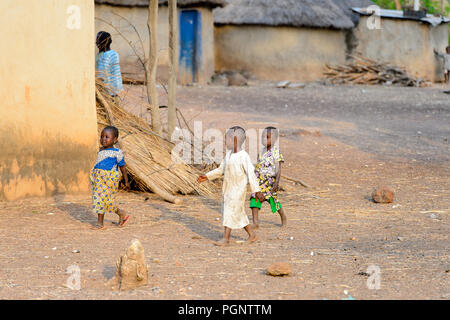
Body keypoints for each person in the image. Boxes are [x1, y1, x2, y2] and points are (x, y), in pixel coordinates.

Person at [197, 126, 265, 246]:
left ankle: (226, 238)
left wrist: (257, 191)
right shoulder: (228, 154)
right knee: (238, 214)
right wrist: (207, 176)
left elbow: (251, 174)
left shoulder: (244, 156)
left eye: (226, 139)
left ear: (234, 140)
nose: (224, 142)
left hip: (238, 190)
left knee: (229, 211)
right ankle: (252, 235)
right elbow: (220, 170)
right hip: (228, 189)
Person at [91, 126, 130, 230]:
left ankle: (116, 215)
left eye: (107, 137)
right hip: (99, 180)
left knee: (106, 200)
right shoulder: (100, 151)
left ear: (115, 139)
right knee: (100, 199)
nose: (103, 139)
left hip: (109, 181)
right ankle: (105, 220)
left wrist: (126, 181)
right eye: (102, 136)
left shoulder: (117, 153)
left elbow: (122, 168)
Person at [250, 127, 287, 229]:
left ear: (275, 139)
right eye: (262, 137)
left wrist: (276, 183)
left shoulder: (276, 152)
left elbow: (279, 169)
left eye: (267, 137)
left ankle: (283, 217)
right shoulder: (261, 152)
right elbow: (258, 166)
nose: (264, 140)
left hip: (270, 182)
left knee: (273, 202)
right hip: (259, 181)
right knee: (254, 200)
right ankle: (255, 223)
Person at [96, 31, 124, 96]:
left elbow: (102, 75)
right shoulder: (114, 54)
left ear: (104, 42)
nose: (96, 43)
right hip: (115, 88)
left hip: (108, 90)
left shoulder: (104, 56)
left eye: (98, 40)